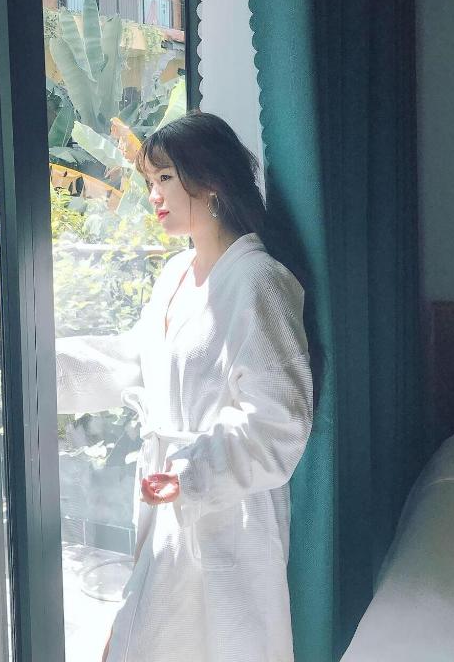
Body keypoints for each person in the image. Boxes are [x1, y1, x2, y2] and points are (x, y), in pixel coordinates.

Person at [56, 111, 313, 662]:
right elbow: (135, 364)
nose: (153, 195)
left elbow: (280, 422)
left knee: (209, 644)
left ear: (211, 180)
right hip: (168, 496)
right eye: (150, 181)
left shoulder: (260, 281)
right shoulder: (175, 273)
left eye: (165, 178)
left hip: (229, 513)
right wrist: (35, 369)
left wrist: (193, 472)